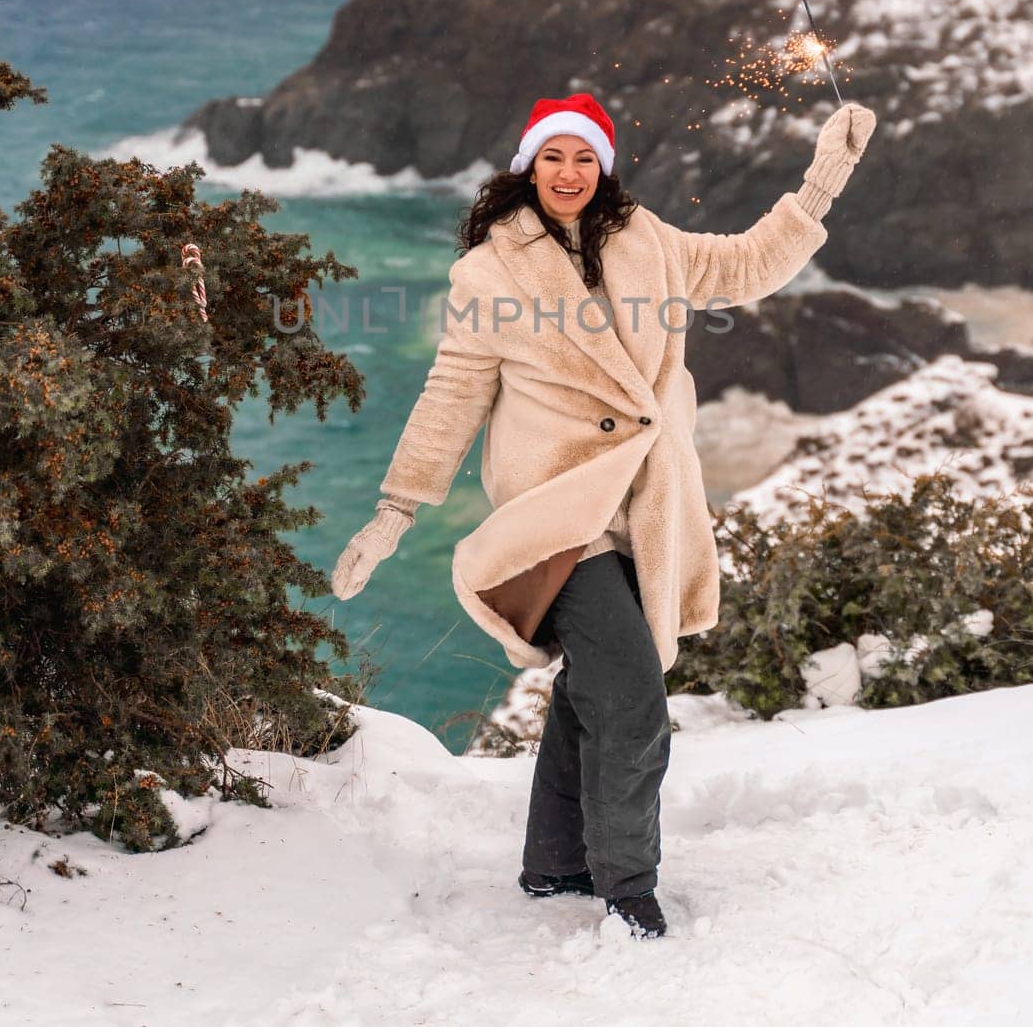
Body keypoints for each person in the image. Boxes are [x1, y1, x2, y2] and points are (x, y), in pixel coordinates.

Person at [331, 90, 876, 939]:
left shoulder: (647, 241)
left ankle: (553, 865)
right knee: (630, 701)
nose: (569, 172)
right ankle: (628, 890)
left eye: (584, 157)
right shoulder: (489, 273)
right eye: (553, 155)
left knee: (591, 690)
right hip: (559, 511)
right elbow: (453, 394)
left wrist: (825, 175)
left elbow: (745, 265)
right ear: (527, 164)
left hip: (645, 500)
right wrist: (396, 510)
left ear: (603, 167)